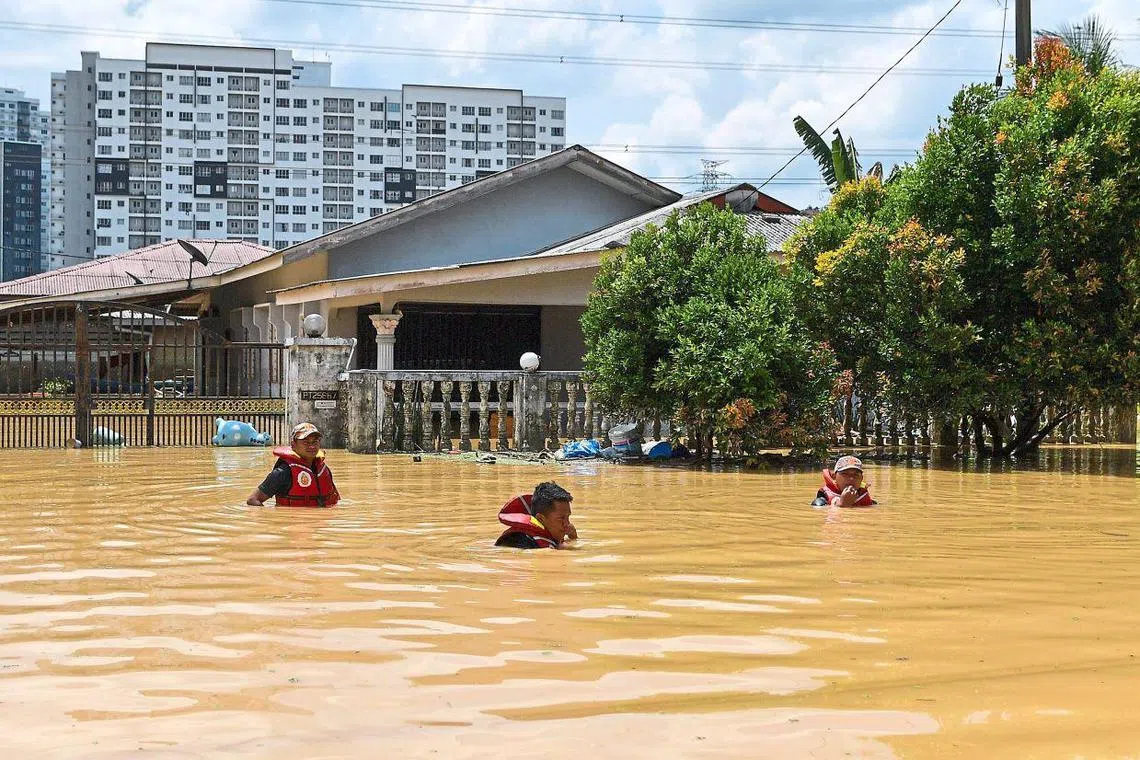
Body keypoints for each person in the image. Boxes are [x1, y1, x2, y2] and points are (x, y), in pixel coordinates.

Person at [246, 422, 340, 508]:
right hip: (294, 524)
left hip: (320, 524)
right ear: (293, 445)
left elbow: (334, 499)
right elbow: (253, 500)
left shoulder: (324, 469)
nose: (312, 446)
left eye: (315, 442)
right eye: (306, 442)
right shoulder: (282, 472)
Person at [495, 481, 578, 549]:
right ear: (540, 519)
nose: (567, 524)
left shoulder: (545, 537)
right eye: (561, 518)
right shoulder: (522, 541)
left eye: (568, 517)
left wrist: (573, 538)